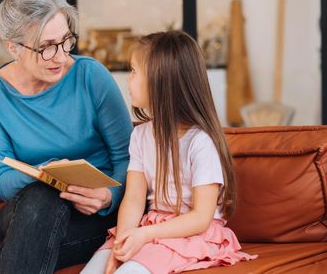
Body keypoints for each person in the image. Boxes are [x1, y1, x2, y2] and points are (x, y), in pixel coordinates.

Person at [0, 0, 133, 274]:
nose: (59, 56)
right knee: (42, 196)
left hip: (93, 215)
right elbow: (0, 179)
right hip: (26, 210)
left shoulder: (90, 76)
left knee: (30, 241)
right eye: (46, 46)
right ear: (13, 47)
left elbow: (129, 157)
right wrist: (43, 174)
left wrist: (108, 197)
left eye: (65, 41)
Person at [81, 31, 257, 274]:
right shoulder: (141, 136)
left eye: (133, 71)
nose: (127, 80)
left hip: (189, 233)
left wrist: (145, 234)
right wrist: (122, 245)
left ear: (160, 81)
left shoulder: (200, 142)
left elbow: (201, 217)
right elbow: (133, 200)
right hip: (149, 227)